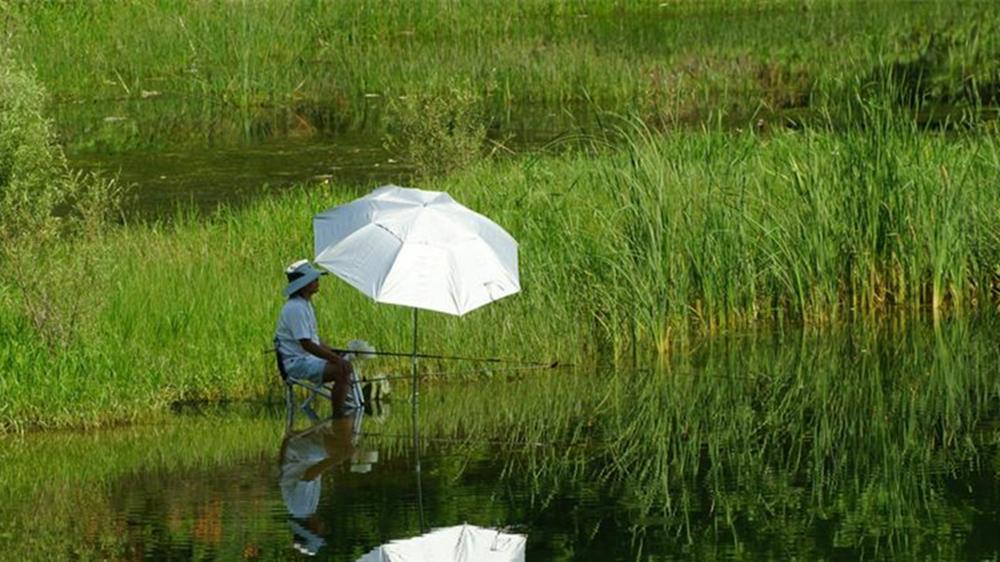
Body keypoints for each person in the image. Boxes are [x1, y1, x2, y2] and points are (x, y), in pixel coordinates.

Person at [275, 259, 354, 415]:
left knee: (346, 364)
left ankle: (347, 411)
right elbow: (307, 345)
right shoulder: (296, 308)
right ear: (304, 284)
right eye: (314, 279)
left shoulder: (305, 304)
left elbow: (315, 341)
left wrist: (334, 353)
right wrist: (337, 360)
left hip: (307, 359)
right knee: (342, 370)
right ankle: (338, 416)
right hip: (296, 363)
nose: (317, 282)